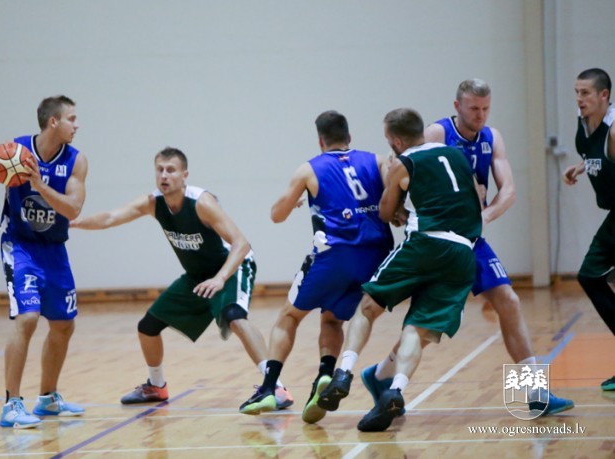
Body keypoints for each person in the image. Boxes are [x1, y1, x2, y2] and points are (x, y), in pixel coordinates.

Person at [70, 147, 293, 408]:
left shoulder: (201, 203)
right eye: (160, 170)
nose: (164, 175)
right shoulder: (153, 202)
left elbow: (241, 244)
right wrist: (76, 223)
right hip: (197, 276)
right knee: (147, 327)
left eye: (171, 170)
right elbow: (111, 217)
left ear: (184, 175)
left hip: (232, 267)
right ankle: (156, 386)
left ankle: (275, 387)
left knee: (235, 317)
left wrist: (220, 279)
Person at [317, 107, 483, 431]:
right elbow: (476, 199)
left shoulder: (403, 162)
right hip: (464, 252)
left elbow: (385, 211)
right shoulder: (458, 155)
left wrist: (399, 210)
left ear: (395, 140)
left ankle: (344, 372)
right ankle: (395, 390)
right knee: (416, 329)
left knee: (368, 307)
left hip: (427, 244)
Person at [420, 78, 573, 414]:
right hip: (439, 241)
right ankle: (383, 377)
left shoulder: (492, 137)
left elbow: (509, 191)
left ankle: (536, 393)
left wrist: (484, 216)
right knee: (429, 326)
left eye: (486, 108)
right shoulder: (437, 134)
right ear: (457, 106)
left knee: (509, 301)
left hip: (472, 239)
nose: (480, 115)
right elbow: (406, 176)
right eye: (474, 108)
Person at [238, 110, 393, 423]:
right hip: (375, 256)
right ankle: (324, 375)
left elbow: (276, 215)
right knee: (333, 319)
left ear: (321, 140)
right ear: (349, 136)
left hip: (335, 255)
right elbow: (395, 202)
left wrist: (296, 198)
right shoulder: (377, 161)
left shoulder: (310, 169)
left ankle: (269, 387)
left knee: (289, 316)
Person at [0, 95, 87, 429]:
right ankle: (11, 404)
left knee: (64, 325)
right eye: (72, 119)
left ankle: (47, 398)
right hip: (19, 245)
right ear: (53, 122)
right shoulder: (16, 151)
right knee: (28, 317)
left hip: (54, 249)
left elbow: (73, 209)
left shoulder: (76, 160)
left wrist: (38, 185)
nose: (77, 125)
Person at [563, 68, 615, 391]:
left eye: (585, 93)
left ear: (603, 95)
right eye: (576, 93)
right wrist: (582, 166)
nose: (579, 99)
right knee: (590, 276)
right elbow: (599, 156)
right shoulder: (584, 125)